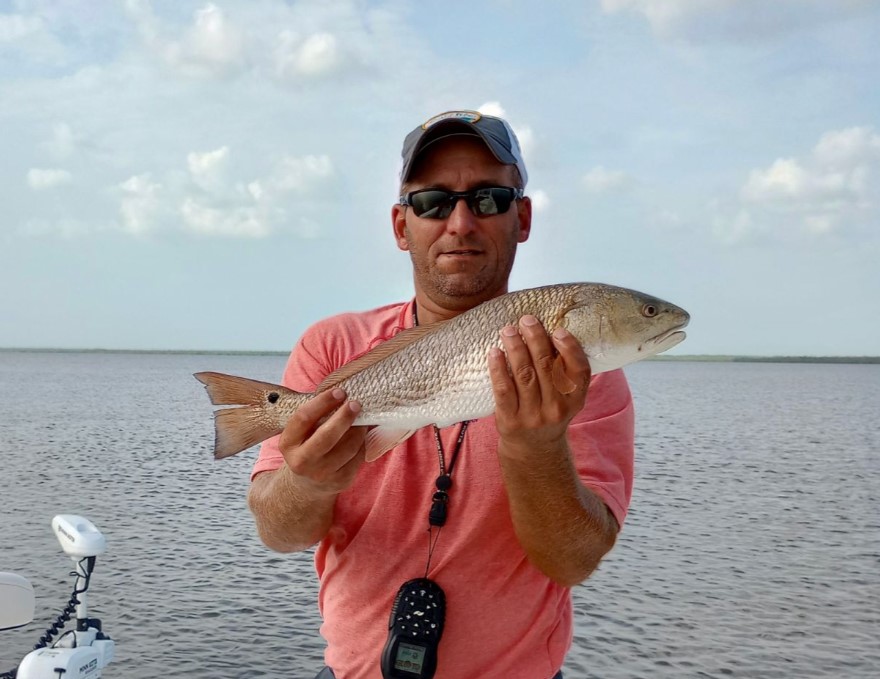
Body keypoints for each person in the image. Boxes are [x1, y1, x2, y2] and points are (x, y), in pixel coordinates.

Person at [247, 110, 635, 679]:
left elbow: (573, 560)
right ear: (401, 226)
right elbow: (278, 533)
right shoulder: (333, 347)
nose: (460, 222)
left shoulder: (582, 370)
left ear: (521, 217)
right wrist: (307, 479)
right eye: (432, 202)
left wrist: (537, 447)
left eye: (488, 199)